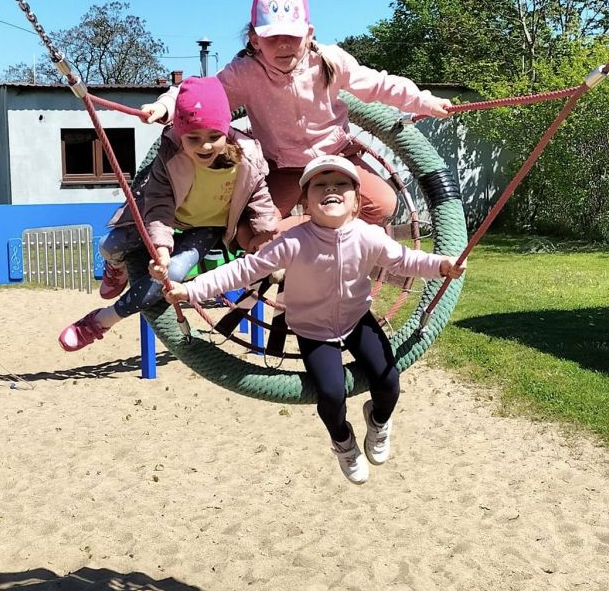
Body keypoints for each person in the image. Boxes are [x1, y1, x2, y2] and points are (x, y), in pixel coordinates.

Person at [160, 154, 464, 484]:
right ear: (305, 202)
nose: (330, 188)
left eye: (341, 184)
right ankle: (343, 440)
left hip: (357, 319)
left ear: (356, 202)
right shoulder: (293, 241)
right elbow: (243, 270)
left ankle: (378, 420)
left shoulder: (369, 236)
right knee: (331, 394)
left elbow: (405, 260)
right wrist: (191, 289)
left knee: (389, 380)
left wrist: (441, 265)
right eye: (320, 184)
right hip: (312, 329)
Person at [141, 0, 455, 228]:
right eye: (271, 37)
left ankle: (324, 237)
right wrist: (165, 106)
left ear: (308, 34)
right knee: (258, 228)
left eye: (292, 36)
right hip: (284, 166)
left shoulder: (329, 61)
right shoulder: (244, 73)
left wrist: (424, 101)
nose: (283, 45)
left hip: (335, 156)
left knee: (383, 204)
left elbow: (378, 84)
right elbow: (201, 94)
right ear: (254, 39)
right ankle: (308, 239)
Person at [58, 76, 278, 352]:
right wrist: (161, 248)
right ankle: (117, 267)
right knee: (109, 245)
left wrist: (266, 236)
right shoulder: (170, 155)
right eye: (193, 138)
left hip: (207, 227)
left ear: (226, 131)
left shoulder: (248, 159)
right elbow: (159, 202)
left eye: (214, 137)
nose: (205, 146)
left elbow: (260, 197)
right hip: (169, 216)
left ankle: (100, 321)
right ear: (180, 133)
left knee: (169, 276)